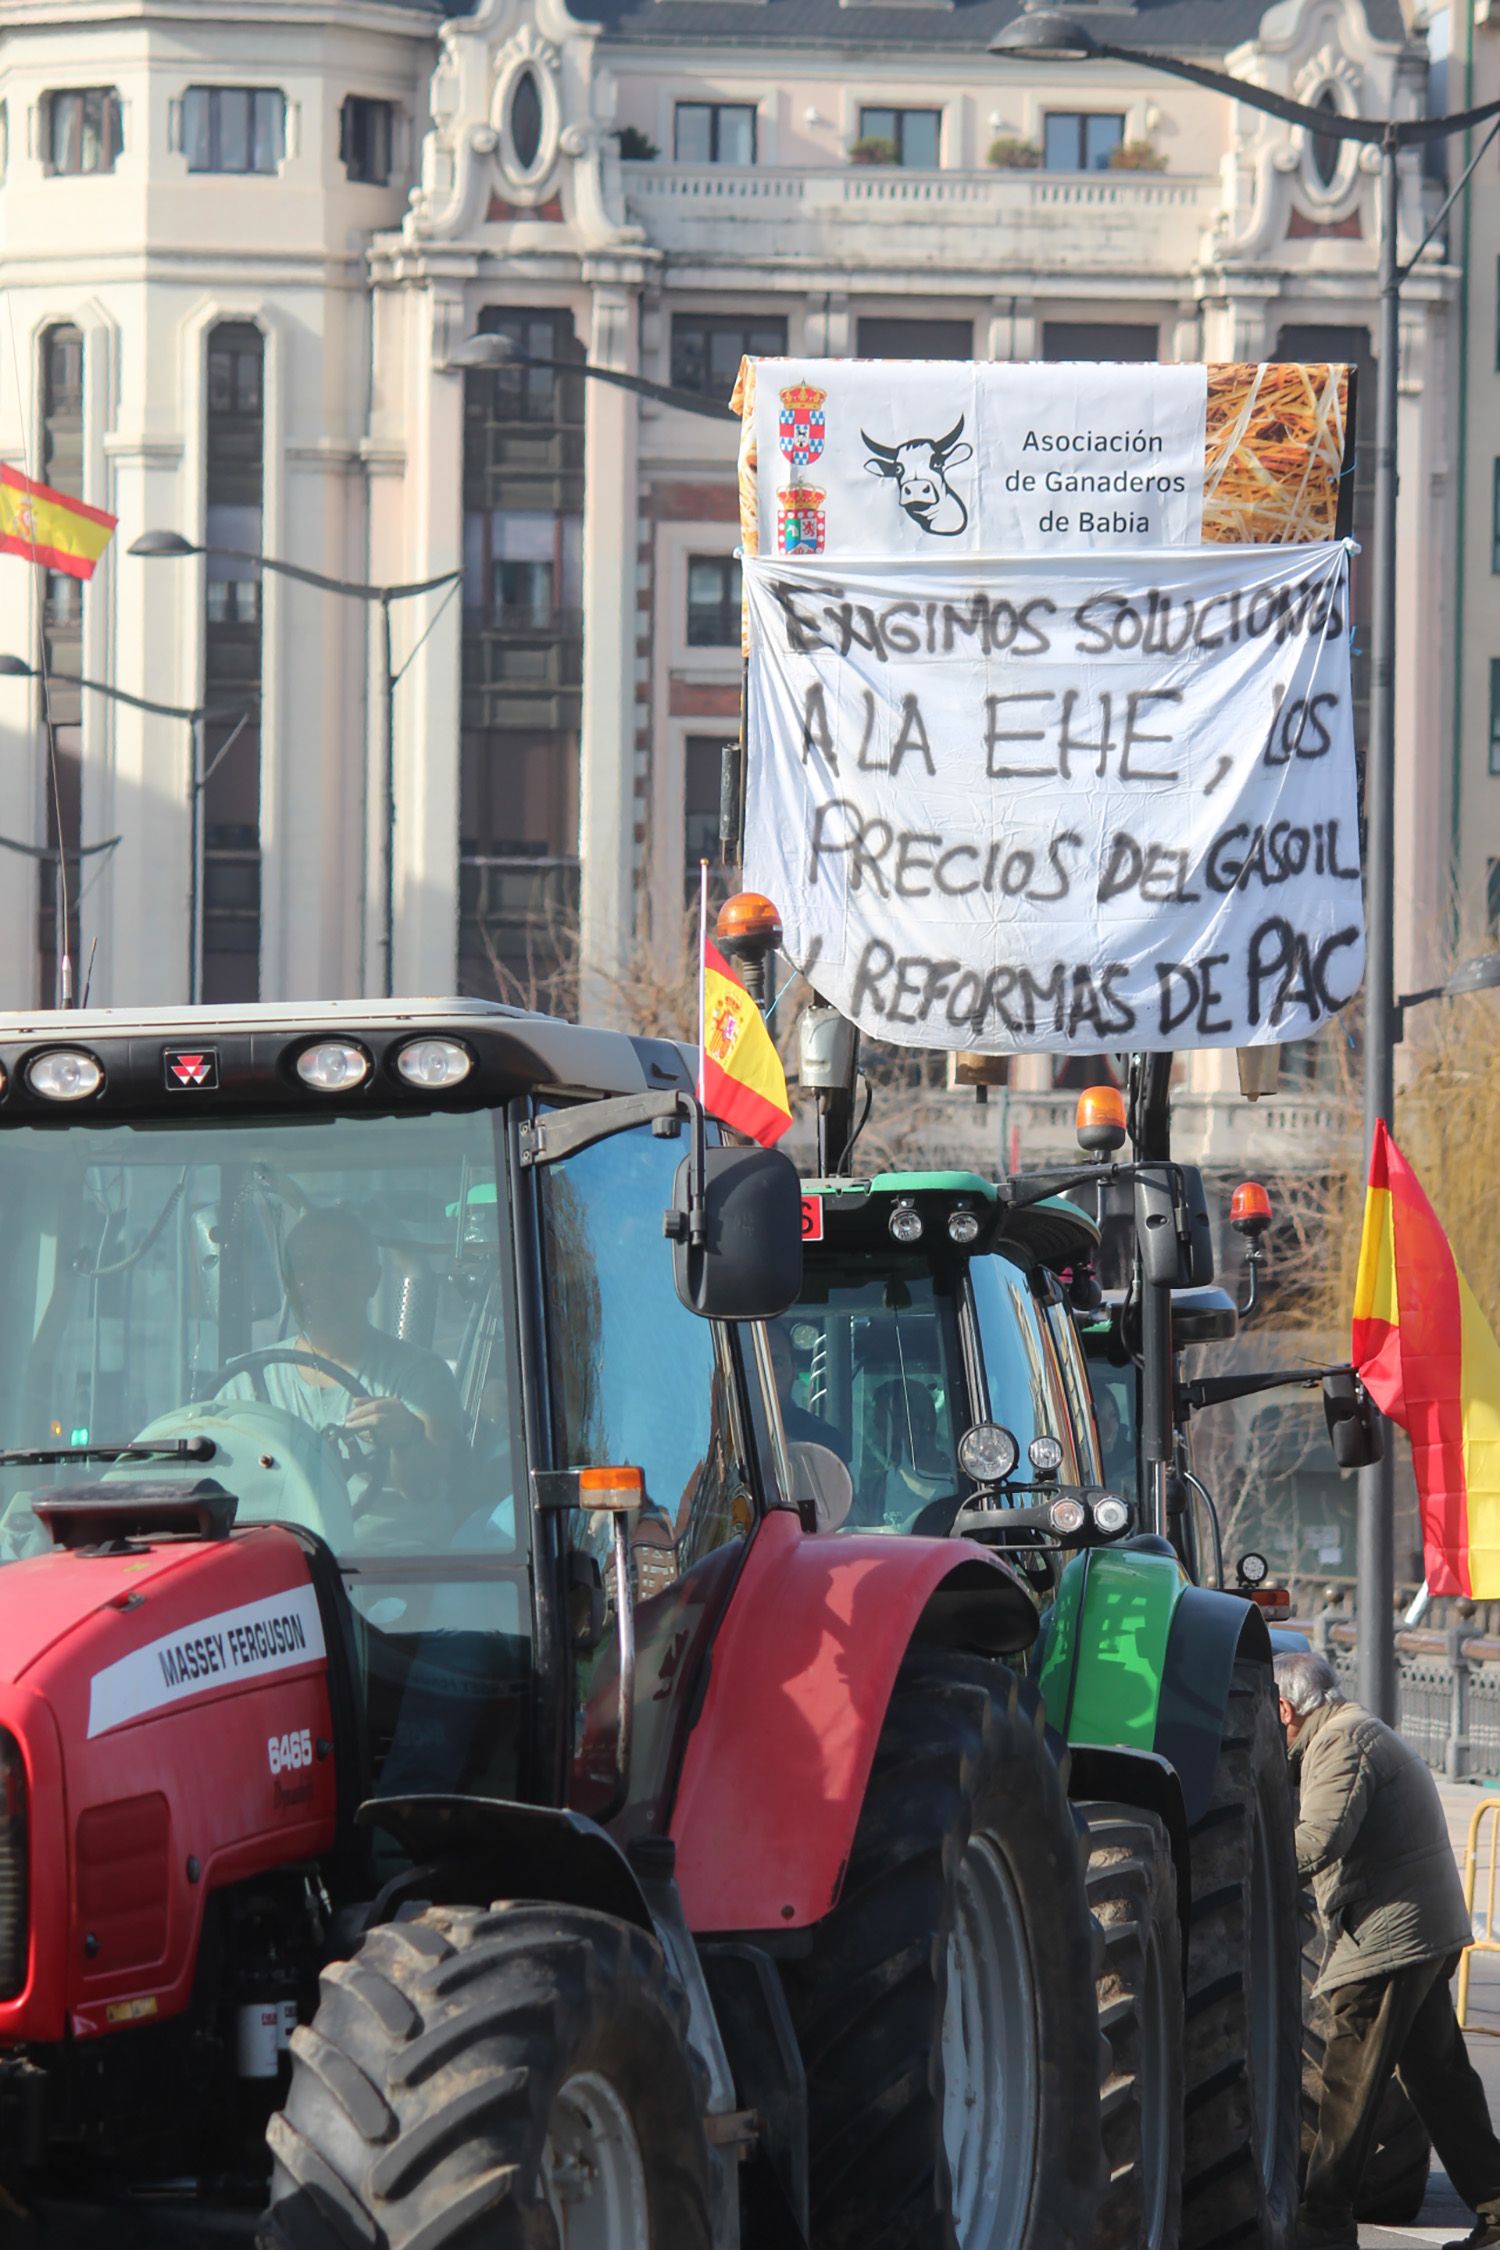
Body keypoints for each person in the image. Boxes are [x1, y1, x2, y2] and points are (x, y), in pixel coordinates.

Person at [1276, 1648, 1500, 2250]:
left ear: (1283, 1709)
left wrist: (1250, 1866)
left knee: (1348, 2082)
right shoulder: (1356, 1731)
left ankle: (1321, 2224)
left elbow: (1318, 1839)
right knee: (1438, 2077)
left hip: (1389, 1939)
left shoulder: (1341, 1742)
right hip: (1419, 1930)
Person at [222, 1205, 463, 1509]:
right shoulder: (242, 1381)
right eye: (304, 1266)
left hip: (389, 1554)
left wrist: (408, 1440)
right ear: (287, 1281)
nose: (319, 1280)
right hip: (276, 1550)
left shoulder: (421, 1374)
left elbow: (425, 1490)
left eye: (341, 1266)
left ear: (373, 1280)